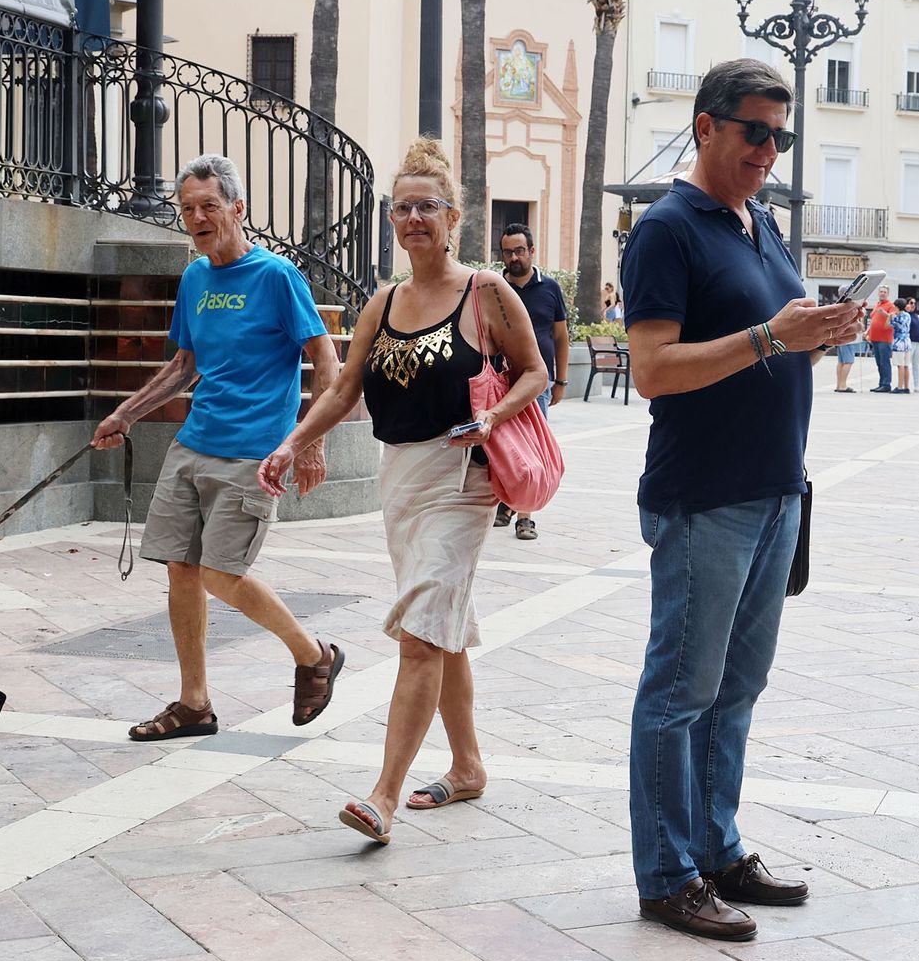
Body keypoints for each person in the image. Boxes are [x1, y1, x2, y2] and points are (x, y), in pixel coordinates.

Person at [619, 58, 862, 942]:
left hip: (774, 490)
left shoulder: (760, 222)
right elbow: (652, 368)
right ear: (706, 126)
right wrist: (770, 336)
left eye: (780, 135)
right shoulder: (666, 231)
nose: (769, 150)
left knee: (736, 688)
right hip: (705, 496)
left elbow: (777, 344)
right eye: (755, 131)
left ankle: (716, 848)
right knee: (680, 690)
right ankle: (666, 874)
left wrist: (819, 335)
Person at [258, 137, 547, 844]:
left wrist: (494, 415)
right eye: (402, 206)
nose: (413, 217)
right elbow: (347, 385)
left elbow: (537, 371)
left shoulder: (486, 292)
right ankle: (470, 765)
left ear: (453, 216)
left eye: (428, 205)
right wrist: (295, 439)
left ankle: (382, 797)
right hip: (402, 479)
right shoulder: (382, 301)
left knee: (420, 636)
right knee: (441, 631)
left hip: (463, 478)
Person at [91, 154, 344, 741]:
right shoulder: (195, 278)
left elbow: (326, 361)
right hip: (193, 443)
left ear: (237, 208)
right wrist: (125, 415)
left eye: (209, 205)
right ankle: (194, 703)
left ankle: (313, 656)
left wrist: (308, 443)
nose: (198, 217)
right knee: (181, 570)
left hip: (252, 453)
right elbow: (185, 365)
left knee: (221, 573)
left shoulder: (277, 277)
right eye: (187, 209)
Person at [493, 222, 568, 541]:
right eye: (508, 252)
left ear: (532, 251)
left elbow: (561, 336)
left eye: (519, 250)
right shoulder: (494, 288)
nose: (514, 257)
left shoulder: (549, 288)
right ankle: (506, 503)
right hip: (501, 382)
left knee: (533, 446)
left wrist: (560, 381)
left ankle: (526, 517)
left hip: (537, 383)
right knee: (502, 445)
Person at [866, 286, 897, 392]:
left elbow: (893, 318)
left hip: (885, 339)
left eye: (885, 292)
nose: (882, 293)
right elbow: (873, 319)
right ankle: (881, 383)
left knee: (885, 362)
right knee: (879, 362)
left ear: (888, 294)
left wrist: (885, 313)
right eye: (881, 292)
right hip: (875, 338)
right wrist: (867, 332)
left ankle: (886, 384)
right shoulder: (877, 305)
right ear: (878, 293)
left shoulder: (891, 305)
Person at [890, 297, 913, 394]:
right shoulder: (908, 315)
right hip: (907, 342)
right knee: (906, 365)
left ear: (897, 307)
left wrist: (891, 317)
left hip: (899, 342)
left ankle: (900, 386)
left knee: (900, 365)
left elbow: (893, 324)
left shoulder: (898, 316)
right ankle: (906, 387)